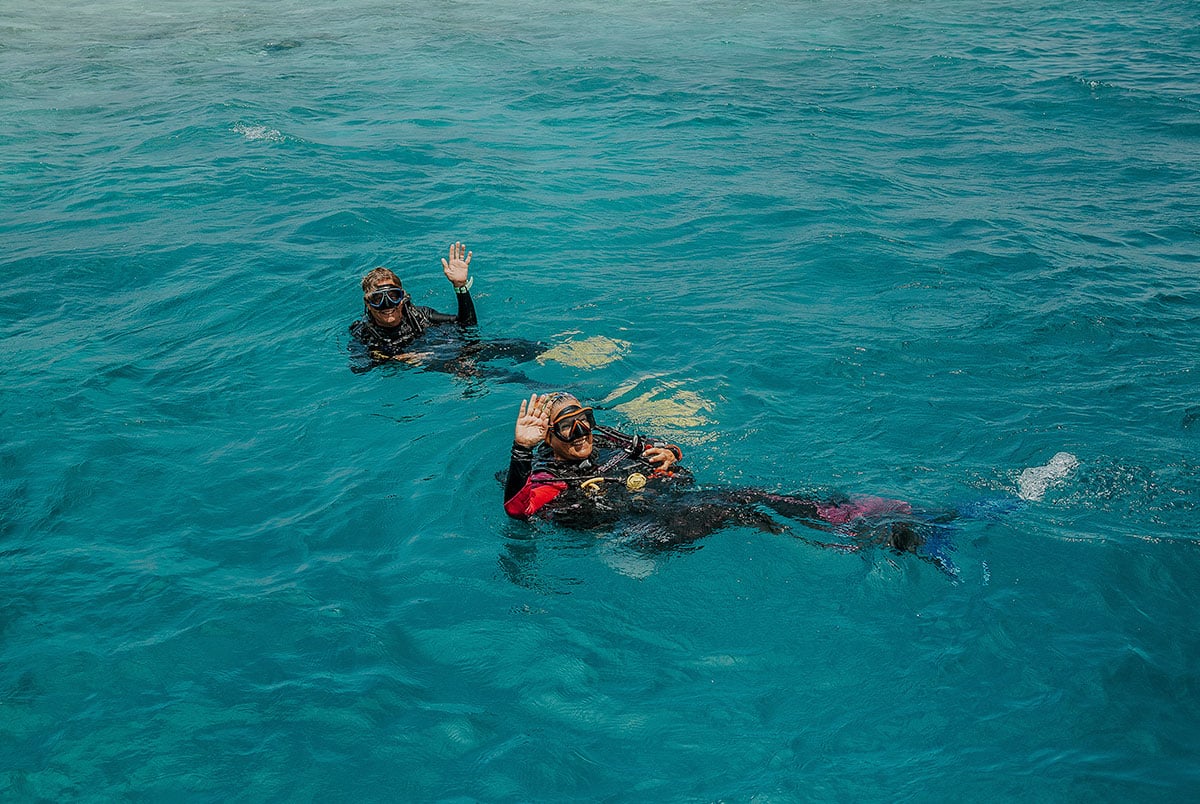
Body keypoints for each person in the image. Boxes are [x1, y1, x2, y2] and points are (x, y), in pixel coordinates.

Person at [502, 392, 959, 572]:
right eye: (569, 427)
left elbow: (668, 451)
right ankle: (856, 548)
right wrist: (521, 448)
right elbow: (518, 509)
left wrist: (670, 451)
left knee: (753, 494)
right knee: (733, 512)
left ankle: (885, 513)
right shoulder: (547, 475)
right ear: (549, 437)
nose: (582, 433)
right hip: (634, 537)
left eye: (586, 419)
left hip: (676, 505)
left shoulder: (606, 442)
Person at [348, 242, 545, 377]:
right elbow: (360, 367)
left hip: (446, 345)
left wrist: (460, 286)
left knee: (516, 345)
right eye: (377, 299)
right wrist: (399, 359)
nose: (387, 306)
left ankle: (554, 353)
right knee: (479, 372)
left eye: (393, 296)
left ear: (403, 298)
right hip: (434, 360)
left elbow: (466, 324)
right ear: (367, 304)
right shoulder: (363, 332)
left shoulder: (420, 315)